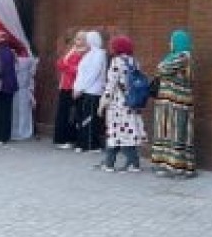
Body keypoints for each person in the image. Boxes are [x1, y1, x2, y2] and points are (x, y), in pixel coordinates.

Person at [97, 35, 147, 172]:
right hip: (132, 103)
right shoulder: (134, 61)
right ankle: (131, 163)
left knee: (115, 133)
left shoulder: (116, 62)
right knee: (127, 133)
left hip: (118, 105)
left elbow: (110, 86)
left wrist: (102, 104)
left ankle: (110, 164)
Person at [151, 30, 195, 177]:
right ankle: (167, 164)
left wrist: (161, 66)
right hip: (168, 104)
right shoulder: (174, 56)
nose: (169, 44)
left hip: (178, 104)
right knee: (168, 134)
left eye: (172, 41)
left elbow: (162, 68)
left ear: (179, 42)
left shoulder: (184, 56)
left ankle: (179, 167)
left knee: (178, 134)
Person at [73, 31, 107, 153]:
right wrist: (77, 87)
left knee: (90, 119)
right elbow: (81, 73)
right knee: (83, 118)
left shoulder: (99, 54)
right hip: (85, 91)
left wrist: (81, 88)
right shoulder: (89, 54)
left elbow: (93, 74)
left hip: (93, 92)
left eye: (87, 40)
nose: (85, 42)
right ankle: (82, 143)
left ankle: (91, 145)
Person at [54, 31, 87, 149]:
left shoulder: (85, 53)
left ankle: (70, 139)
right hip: (65, 85)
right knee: (62, 113)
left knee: (71, 115)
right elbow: (59, 63)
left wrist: (65, 66)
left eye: (80, 39)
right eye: (77, 38)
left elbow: (78, 70)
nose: (77, 41)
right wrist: (66, 66)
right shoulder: (72, 50)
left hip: (74, 87)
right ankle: (61, 138)